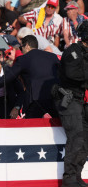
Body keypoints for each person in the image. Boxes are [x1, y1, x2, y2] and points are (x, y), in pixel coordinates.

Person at [0, 35, 59, 118]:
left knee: (31, 128)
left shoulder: (23, 59)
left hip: (36, 101)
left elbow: (6, 78)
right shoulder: (53, 56)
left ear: (26, 46)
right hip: (55, 98)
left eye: (21, 47)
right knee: (59, 126)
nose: (20, 50)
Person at [54, 20, 88, 187]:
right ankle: (69, 180)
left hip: (82, 100)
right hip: (70, 99)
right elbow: (72, 73)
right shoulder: (73, 51)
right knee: (76, 137)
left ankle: (76, 175)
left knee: (85, 140)